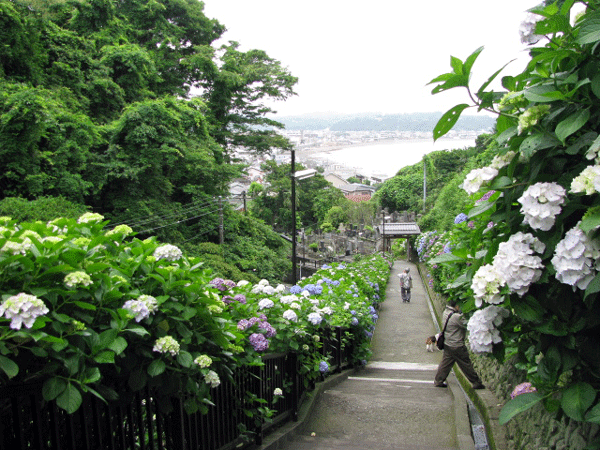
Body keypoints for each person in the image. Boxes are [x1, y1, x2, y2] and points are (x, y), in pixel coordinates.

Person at [434, 299, 485, 389]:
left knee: (445, 364)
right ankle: (476, 382)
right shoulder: (455, 317)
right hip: (456, 345)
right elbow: (467, 324)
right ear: (457, 306)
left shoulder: (446, 312)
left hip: (448, 343)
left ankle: (438, 380)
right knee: (466, 364)